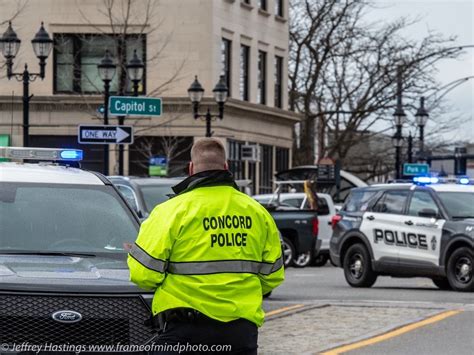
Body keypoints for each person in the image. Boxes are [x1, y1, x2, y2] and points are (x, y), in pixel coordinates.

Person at [128, 137, 284, 354]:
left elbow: (143, 274)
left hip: (183, 328)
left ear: (191, 168)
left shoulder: (171, 211)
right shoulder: (257, 212)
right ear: (226, 167)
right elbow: (273, 276)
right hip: (239, 331)